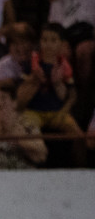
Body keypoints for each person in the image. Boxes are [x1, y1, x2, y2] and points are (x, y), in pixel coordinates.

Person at [45, 0, 95, 123]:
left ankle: (84, 101)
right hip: (62, 29)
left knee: (84, 52)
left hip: (86, 28)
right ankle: (68, 102)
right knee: (64, 54)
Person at [18, 21, 84, 166]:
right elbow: (20, 92)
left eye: (53, 40)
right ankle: (33, 165)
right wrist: (33, 79)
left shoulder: (64, 66)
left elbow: (68, 95)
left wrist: (58, 83)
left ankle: (82, 168)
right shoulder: (31, 64)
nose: (48, 44)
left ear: (61, 44)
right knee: (28, 134)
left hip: (57, 111)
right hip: (33, 111)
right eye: (45, 40)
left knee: (78, 135)